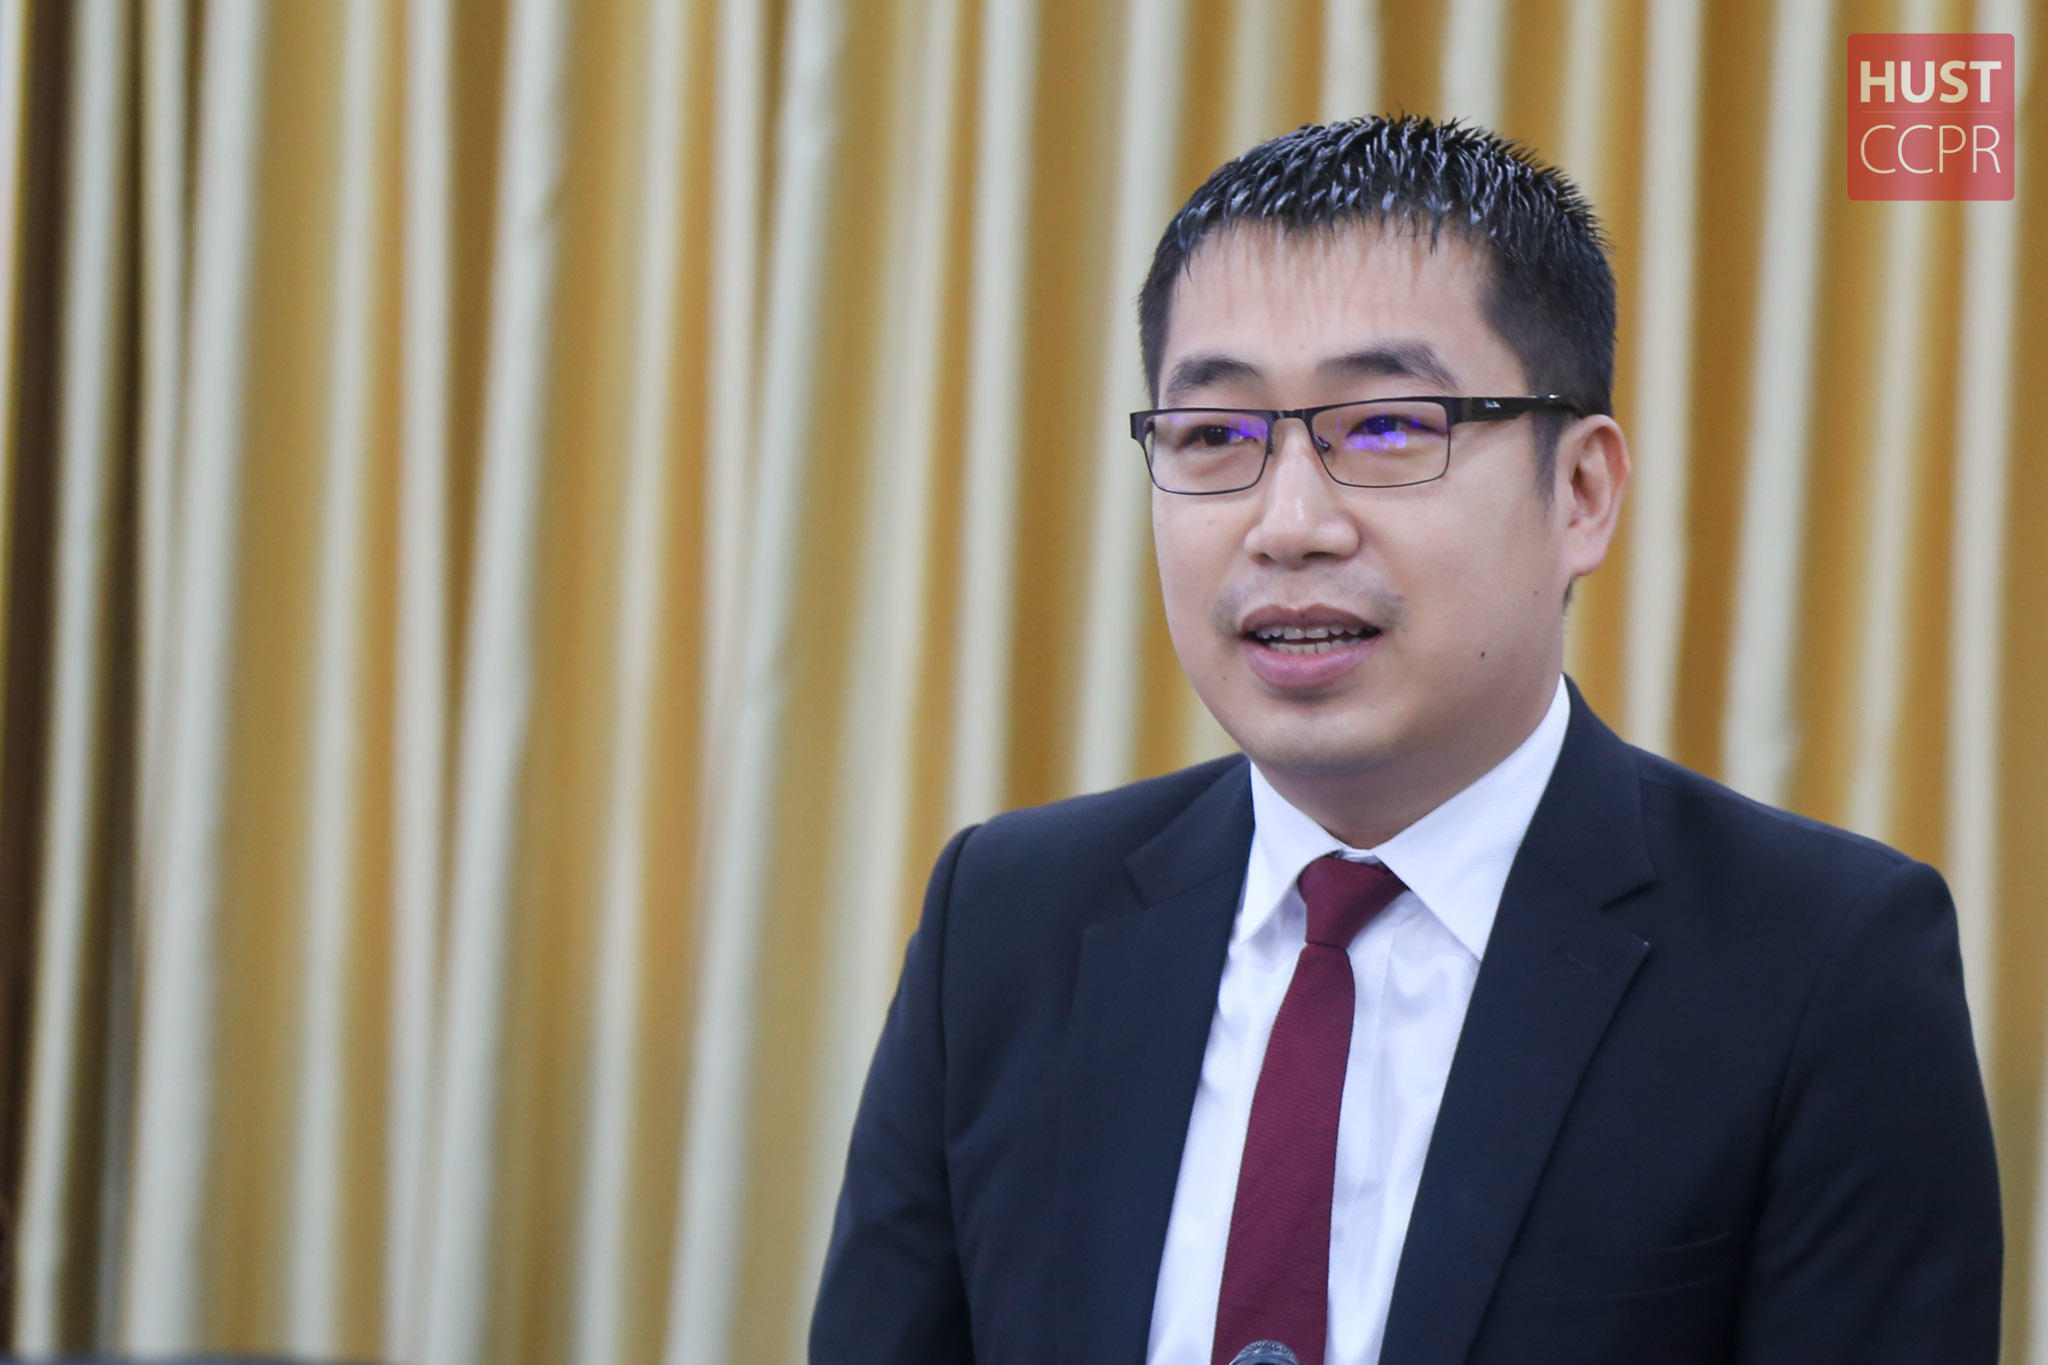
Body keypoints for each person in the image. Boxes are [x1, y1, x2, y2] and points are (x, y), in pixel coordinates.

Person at [808, 115, 2001, 1365]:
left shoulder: (1818, 964)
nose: (1288, 525)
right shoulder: (1003, 921)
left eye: (1384, 429)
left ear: (1580, 492)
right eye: (1213, 436)